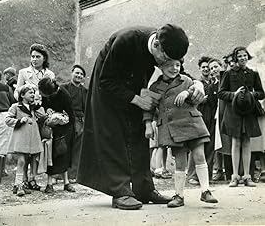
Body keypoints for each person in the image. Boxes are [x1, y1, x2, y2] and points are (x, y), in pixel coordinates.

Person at [77, 24, 205, 210]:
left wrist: (197, 85)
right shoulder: (126, 40)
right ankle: (120, 191)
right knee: (113, 136)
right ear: (156, 46)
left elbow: (178, 74)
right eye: (165, 60)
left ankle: (144, 189)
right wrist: (136, 99)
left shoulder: (167, 46)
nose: (165, 65)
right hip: (107, 89)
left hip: (136, 87)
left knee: (139, 134)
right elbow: (106, 82)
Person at [144, 58, 218, 208]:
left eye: (177, 65)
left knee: (199, 155)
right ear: (161, 66)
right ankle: (179, 195)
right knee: (180, 162)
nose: (174, 68)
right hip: (172, 128)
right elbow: (148, 107)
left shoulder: (186, 80)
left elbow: (198, 88)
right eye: (170, 65)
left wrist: (187, 92)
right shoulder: (155, 87)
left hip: (192, 123)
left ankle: (206, 191)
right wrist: (148, 125)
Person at [218, 46, 265, 187]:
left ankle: (247, 176)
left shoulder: (253, 74)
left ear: (248, 57)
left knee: (246, 141)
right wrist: (234, 94)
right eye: (240, 56)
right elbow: (221, 93)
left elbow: (261, 93)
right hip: (233, 111)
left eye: (245, 55)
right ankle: (234, 176)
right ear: (235, 58)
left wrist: (251, 95)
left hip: (248, 111)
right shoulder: (228, 73)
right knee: (235, 142)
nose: (243, 58)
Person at [14, 43, 55, 190]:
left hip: (41, 113)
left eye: (38, 57)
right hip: (27, 113)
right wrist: (26, 98)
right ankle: (23, 179)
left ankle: (33, 178)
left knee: (38, 146)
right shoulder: (24, 73)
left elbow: (52, 94)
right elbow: (16, 92)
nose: (35, 59)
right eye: (32, 56)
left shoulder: (49, 74)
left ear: (44, 58)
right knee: (25, 147)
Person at [38, 77, 75, 193]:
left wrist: (60, 119)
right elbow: (43, 106)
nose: (40, 94)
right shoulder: (46, 94)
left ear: (52, 92)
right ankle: (49, 183)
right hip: (50, 128)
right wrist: (47, 110)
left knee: (63, 153)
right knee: (50, 154)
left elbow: (71, 117)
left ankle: (66, 182)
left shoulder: (65, 95)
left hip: (64, 129)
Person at [5, 84, 43, 196]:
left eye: (33, 92)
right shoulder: (16, 107)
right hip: (21, 138)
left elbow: (41, 116)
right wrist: (19, 121)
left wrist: (39, 105)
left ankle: (26, 182)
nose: (33, 94)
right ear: (22, 95)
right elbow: (7, 119)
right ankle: (19, 185)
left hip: (32, 138)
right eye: (30, 92)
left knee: (30, 160)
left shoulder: (33, 107)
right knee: (21, 161)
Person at [187, 56, 217, 186]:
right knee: (197, 145)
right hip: (200, 115)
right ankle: (193, 175)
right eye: (203, 67)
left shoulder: (214, 83)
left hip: (211, 116)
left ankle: (207, 175)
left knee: (210, 146)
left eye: (208, 67)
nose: (206, 69)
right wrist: (200, 100)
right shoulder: (196, 83)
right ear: (200, 69)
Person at [64, 64, 88, 183]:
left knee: (77, 148)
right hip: (66, 120)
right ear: (72, 73)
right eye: (77, 73)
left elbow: (86, 108)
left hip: (79, 122)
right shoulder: (64, 88)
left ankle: (73, 175)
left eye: (81, 74)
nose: (79, 76)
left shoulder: (85, 91)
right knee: (64, 147)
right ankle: (59, 175)